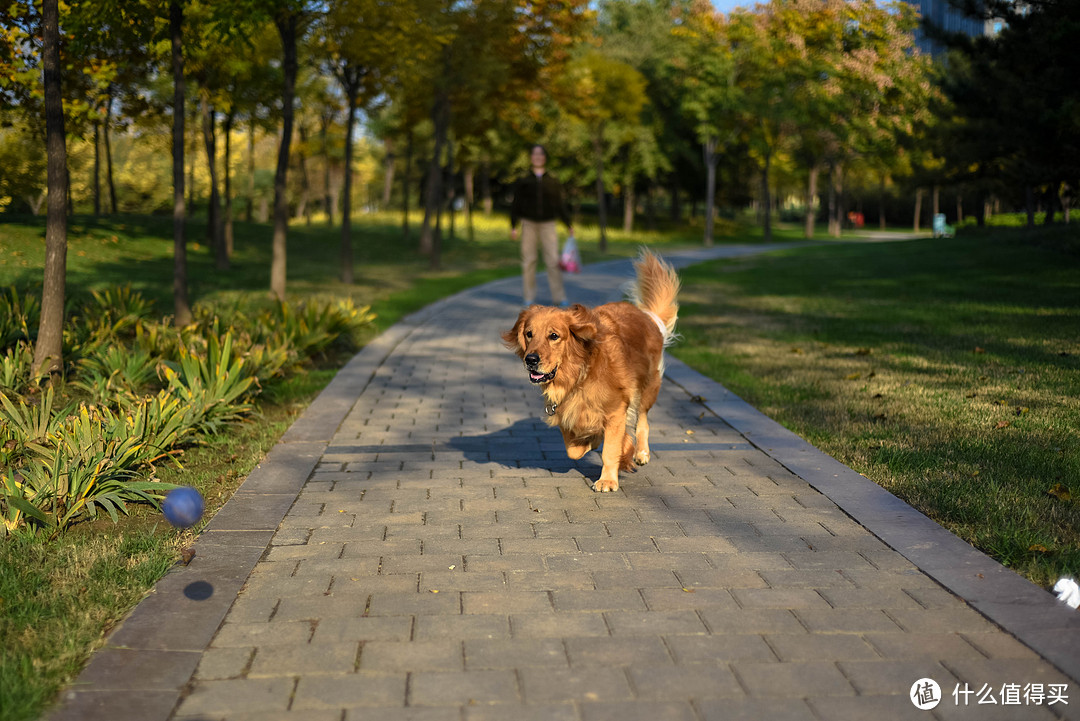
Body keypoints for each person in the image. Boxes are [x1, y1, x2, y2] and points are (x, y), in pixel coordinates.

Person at [510, 144, 574, 307]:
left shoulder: (552, 181)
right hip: (528, 224)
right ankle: (529, 298)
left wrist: (568, 224)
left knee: (553, 261)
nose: (538, 157)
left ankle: (559, 298)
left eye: (541, 154)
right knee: (529, 261)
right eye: (535, 154)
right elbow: (516, 203)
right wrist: (513, 225)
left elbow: (559, 204)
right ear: (531, 157)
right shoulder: (524, 180)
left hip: (548, 224)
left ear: (545, 157)